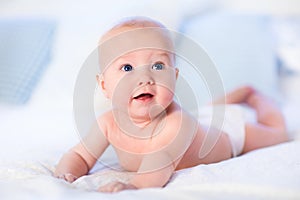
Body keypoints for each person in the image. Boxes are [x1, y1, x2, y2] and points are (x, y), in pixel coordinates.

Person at [54, 17, 288, 193]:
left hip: (229, 133)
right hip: (203, 120)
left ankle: (256, 97)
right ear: (104, 86)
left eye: (157, 65)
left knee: (278, 134)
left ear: (174, 76)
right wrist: (67, 173)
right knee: (206, 113)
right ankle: (235, 96)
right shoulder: (107, 123)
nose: (144, 78)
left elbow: (159, 161)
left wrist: (134, 186)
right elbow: (80, 155)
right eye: (127, 68)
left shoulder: (178, 123)